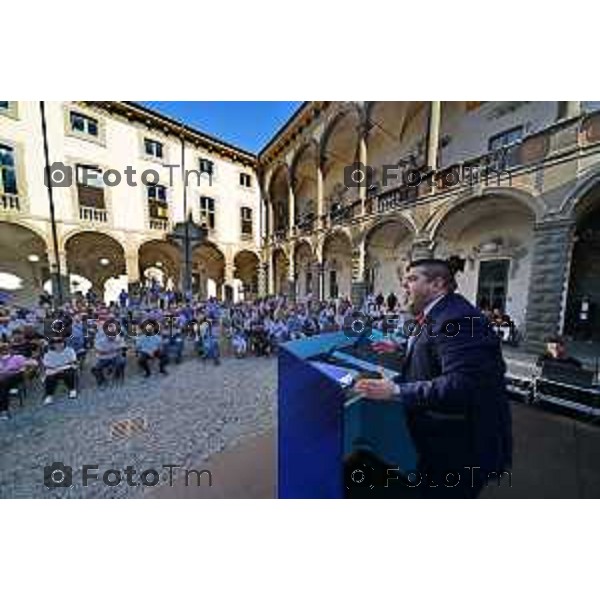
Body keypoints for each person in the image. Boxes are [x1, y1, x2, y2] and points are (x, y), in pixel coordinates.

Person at [351, 258, 512, 499]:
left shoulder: (457, 319)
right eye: (405, 280)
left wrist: (395, 391)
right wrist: (401, 348)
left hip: (459, 448)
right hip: (441, 440)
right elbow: (436, 348)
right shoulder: (440, 311)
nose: (405, 286)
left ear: (437, 284)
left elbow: (463, 384)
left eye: (413, 279)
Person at [0, 341, 37, 420]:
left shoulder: (17, 357)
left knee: (3, 384)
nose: (3, 351)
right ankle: (4, 411)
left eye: (5, 349)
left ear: (10, 350)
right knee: (3, 386)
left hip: (16, 375)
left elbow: (34, 363)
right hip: (3, 379)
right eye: (1, 350)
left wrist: (24, 370)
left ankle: (4, 411)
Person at [42, 337, 78, 405]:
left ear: (63, 343)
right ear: (52, 344)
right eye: (55, 343)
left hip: (66, 368)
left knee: (69, 373)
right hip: (54, 370)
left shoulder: (70, 350)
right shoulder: (48, 353)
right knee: (50, 378)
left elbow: (73, 361)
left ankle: (72, 390)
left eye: (60, 342)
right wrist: (57, 369)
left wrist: (63, 367)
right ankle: (49, 396)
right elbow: (47, 364)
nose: (58, 344)